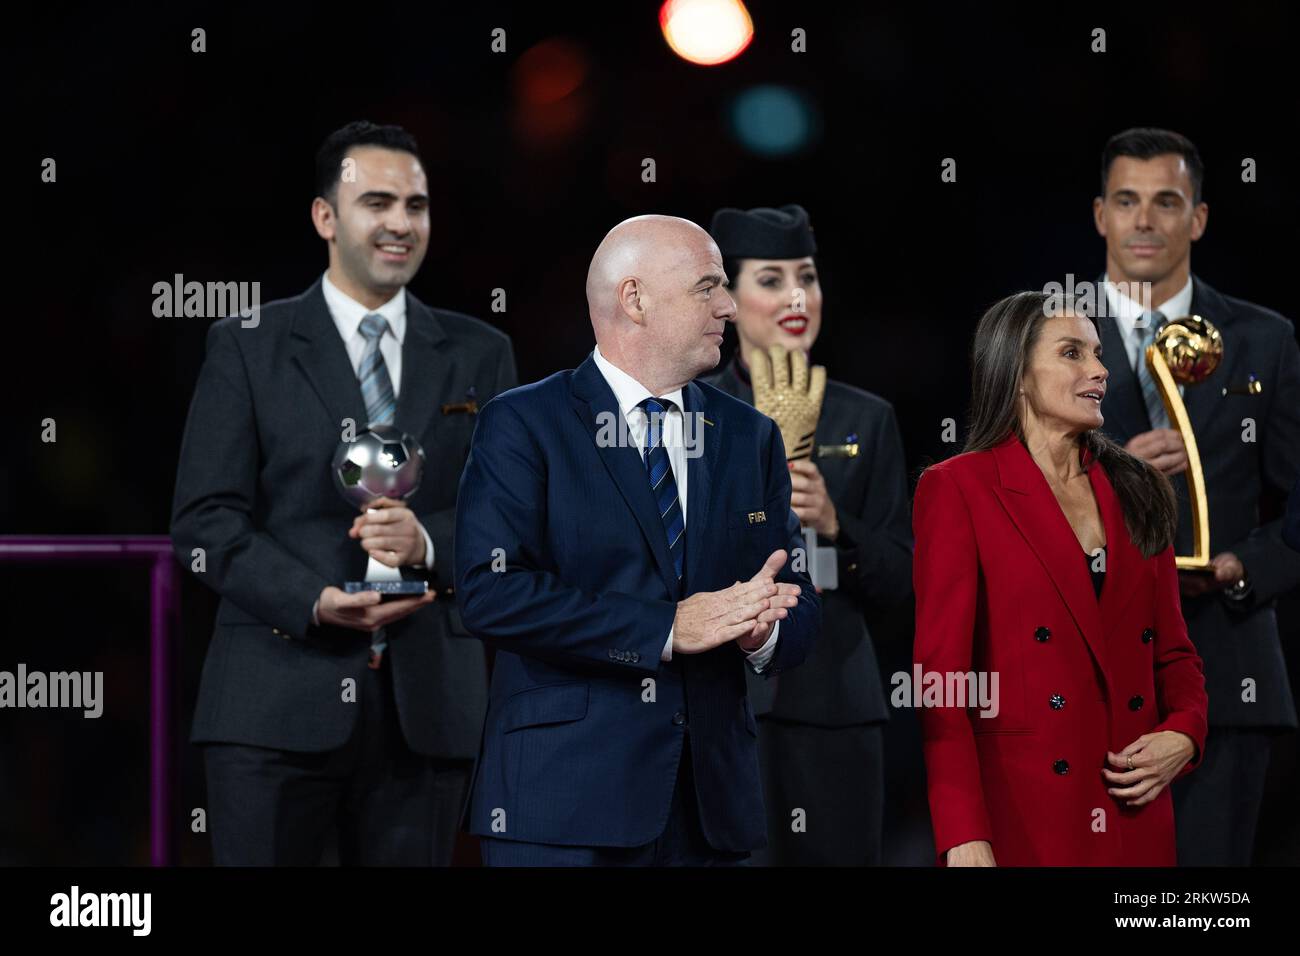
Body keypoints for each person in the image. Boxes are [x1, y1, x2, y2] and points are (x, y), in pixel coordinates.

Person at [170, 121, 517, 865]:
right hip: (271, 705)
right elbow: (205, 521)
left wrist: (427, 543)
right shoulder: (247, 341)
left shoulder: (482, 352)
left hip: (427, 712)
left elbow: (514, 520)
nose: (401, 223)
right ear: (327, 217)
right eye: (379, 202)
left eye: (417, 206)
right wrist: (313, 601)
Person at [454, 214, 821, 866]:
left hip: (712, 810)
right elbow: (491, 592)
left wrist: (760, 627)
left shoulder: (749, 436)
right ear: (634, 299)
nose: (730, 306)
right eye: (708, 287)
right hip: (562, 803)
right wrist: (666, 628)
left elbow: (794, 594)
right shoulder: (523, 424)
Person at [913, 290, 1208, 866]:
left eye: (1098, 354)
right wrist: (962, 832)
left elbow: (1175, 652)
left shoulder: (1139, 489)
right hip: (1026, 817)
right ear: (1016, 374)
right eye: (1072, 353)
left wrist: (1186, 733)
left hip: (1135, 810)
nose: (1099, 370)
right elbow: (942, 684)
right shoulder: (958, 489)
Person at [1089, 128, 1300, 864]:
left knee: (1201, 909)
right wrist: (1103, 476)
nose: (1145, 220)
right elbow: (992, 492)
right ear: (1100, 216)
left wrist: (1244, 567)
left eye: (1166, 202)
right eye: (1127, 200)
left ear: (1199, 218)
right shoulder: (1040, 336)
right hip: (1078, 669)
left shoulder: (1265, 341)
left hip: (1225, 663)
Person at [702, 205, 912, 865]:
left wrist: (835, 526)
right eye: (771, 279)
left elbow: (906, 580)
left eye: (808, 278)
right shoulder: (682, 412)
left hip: (836, 708)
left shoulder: (866, 418)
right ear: (726, 298)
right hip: (716, 701)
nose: (797, 297)